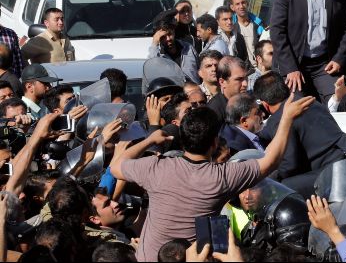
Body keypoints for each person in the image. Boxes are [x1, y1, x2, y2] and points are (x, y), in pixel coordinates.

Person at [111, 97, 314, 261]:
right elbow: (271, 160)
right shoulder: (222, 177)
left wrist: (149, 140)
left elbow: (116, 168)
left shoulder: (156, 167)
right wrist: (286, 117)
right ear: (215, 143)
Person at [255, 71, 346, 197]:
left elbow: (290, 166)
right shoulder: (309, 100)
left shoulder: (280, 120)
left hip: (338, 172)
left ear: (265, 105)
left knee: (279, 187)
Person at [147, 10, 200, 84]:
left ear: (174, 31)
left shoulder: (188, 48)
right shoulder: (158, 56)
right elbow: (152, 69)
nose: (168, 39)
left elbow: (200, 71)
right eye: (163, 37)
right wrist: (154, 43)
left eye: (170, 34)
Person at [206, 56, 249, 125]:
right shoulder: (214, 112)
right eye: (239, 79)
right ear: (222, 82)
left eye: (246, 78)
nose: (245, 84)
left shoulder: (249, 101)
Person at [229, 0, 265, 69]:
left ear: (247, 4)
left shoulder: (259, 25)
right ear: (232, 7)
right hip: (240, 69)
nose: (241, 6)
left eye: (243, 3)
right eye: (237, 4)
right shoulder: (230, 27)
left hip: (259, 68)